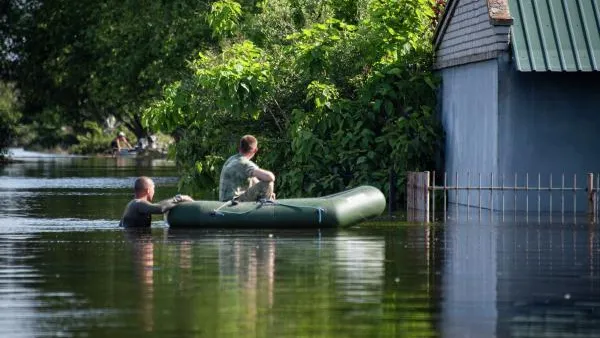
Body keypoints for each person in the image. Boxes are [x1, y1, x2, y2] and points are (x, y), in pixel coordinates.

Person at [219, 135, 276, 202]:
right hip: (233, 202)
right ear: (255, 150)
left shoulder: (232, 159)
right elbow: (270, 177)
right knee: (268, 183)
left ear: (240, 147)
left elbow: (254, 180)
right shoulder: (244, 163)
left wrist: (269, 192)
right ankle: (265, 208)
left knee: (255, 180)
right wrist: (267, 190)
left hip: (224, 200)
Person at [119, 176, 193, 227]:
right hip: (139, 241)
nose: (153, 192)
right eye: (153, 189)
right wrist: (180, 198)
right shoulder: (138, 204)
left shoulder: (133, 204)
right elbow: (160, 208)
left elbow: (157, 205)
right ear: (148, 190)